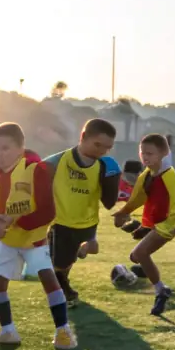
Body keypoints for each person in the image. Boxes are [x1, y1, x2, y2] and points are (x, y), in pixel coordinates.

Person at [0, 123, 73, 349]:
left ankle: (63, 331)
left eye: (6, 148)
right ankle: (8, 331)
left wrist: (12, 223)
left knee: (48, 279)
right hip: (8, 238)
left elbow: (48, 212)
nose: (0, 154)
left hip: (34, 238)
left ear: (21, 148)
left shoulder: (36, 169)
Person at [41, 118, 120, 308]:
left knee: (77, 256)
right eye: (97, 145)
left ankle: (65, 280)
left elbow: (109, 203)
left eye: (107, 148)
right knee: (59, 263)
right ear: (83, 137)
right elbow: (34, 175)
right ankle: (64, 294)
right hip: (61, 221)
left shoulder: (104, 166)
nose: (101, 151)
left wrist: (113, 178)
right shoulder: (57, 161)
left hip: (88, 221)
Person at [112, 133, 175, 317]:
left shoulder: (167, 173)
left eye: (150, 153)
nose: (145, 156)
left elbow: (164, 206)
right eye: (142, 152)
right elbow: (138, 197)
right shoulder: (146, 175)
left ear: (163, 154)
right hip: (159, 223)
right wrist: (123, 212)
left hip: (169, 222)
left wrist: (146, 226)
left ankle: (161, 290)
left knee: (141, 253)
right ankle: (148, 273)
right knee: (135, 256)